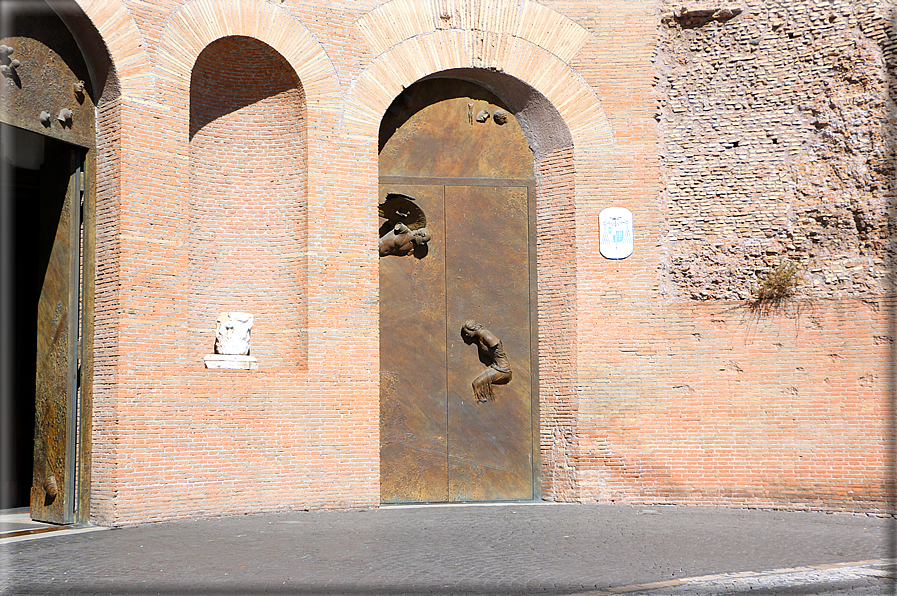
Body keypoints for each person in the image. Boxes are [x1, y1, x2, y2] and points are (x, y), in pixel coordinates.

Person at [460, 320, 512, 402]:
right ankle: (484, 399)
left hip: (502, 369)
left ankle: (483, 400)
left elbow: (497, 345)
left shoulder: (487, 337)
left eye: (467, 332)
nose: (466, 335)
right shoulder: (481, 337)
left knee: (476, 383)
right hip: (496, 367)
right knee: (477, 383)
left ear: (472, 329)